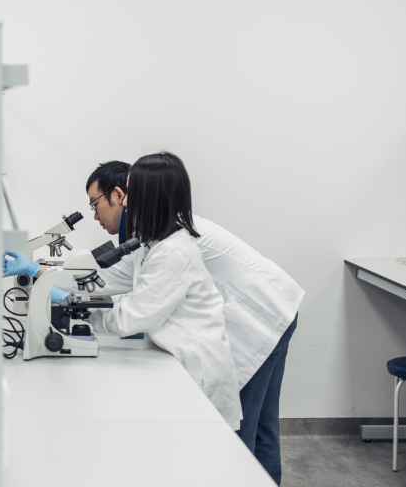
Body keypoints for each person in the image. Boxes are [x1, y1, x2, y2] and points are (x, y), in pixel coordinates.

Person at [85, 158, 303, 485]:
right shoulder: (161, 234)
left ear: (125, 195)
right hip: (266, 309)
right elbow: (116, 277)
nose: (127, 202)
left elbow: (135, 307)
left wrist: (81, 306)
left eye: (96, 203)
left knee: (245, 440)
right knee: (261, 431)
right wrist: (52, 275)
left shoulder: (175, 242)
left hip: (262, 316)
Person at [6, 153, 243, 429]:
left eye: (133, 193)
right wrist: (42, 275)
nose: (126, 201)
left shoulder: (174, 253)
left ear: (152, 197)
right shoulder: (152, 243)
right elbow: (107, 279)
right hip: (176, 359)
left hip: (197, 371)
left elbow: (130, 318)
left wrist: (78, 309)